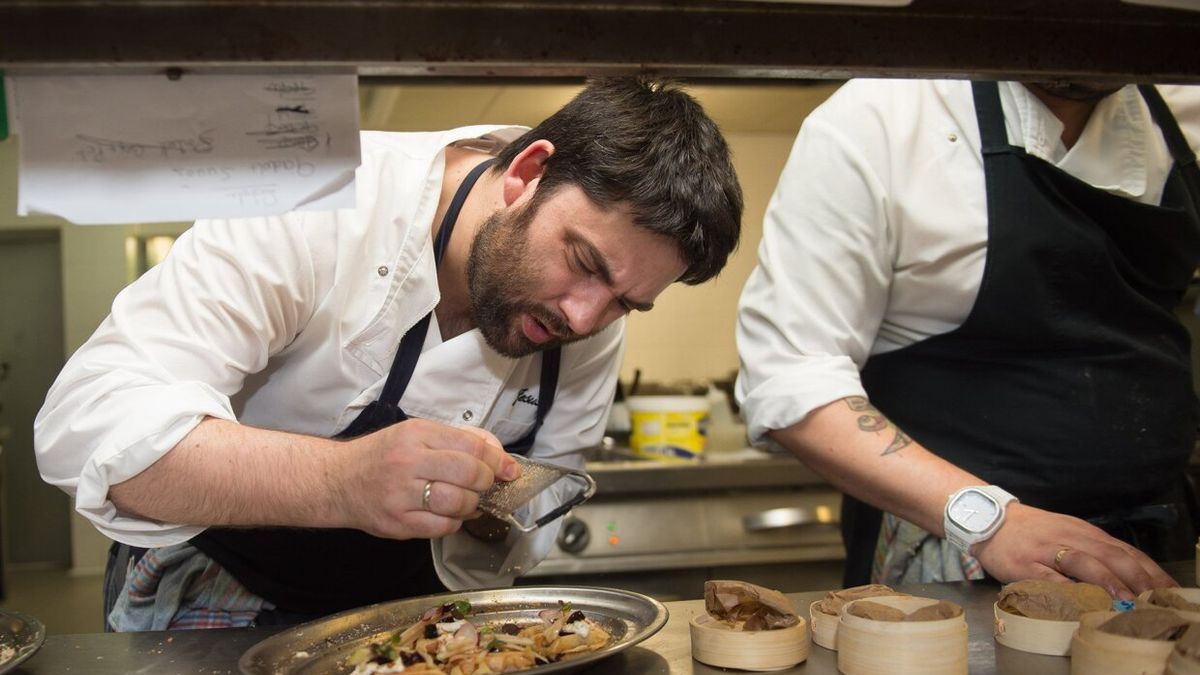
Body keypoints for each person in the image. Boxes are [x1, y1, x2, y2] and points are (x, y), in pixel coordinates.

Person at [35, 77, 743, 630]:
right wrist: (344, 481)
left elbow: (544, 499)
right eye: (584, 260)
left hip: (415, 609)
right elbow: (91, 424)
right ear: (527, 172)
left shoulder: (586, 312)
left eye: (627, 301)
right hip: (216, 588)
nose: (586, 316)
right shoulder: (319, 198)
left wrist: (492, 500)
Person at [736, 78, 1200, 599]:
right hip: (957, 555)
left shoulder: (1185, 107)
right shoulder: (883, 115)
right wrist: (990, 521)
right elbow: (790, 373)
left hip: (1161, 545)